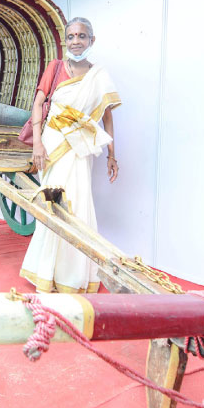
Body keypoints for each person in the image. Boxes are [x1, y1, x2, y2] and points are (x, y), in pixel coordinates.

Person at [19, 17, 121, 293]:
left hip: (81, 146)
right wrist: (37, 144)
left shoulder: (98, 76)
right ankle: (45, 272)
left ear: (91, 40)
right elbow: (38, 104)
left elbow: (106, 115)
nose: (76, 41)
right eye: (71, 36)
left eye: (82, 36)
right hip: (53, 144)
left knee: (79, 202)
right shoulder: (55, 68)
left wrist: (112, 154)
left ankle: (73, 276)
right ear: (66, 41)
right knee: (53, 203)